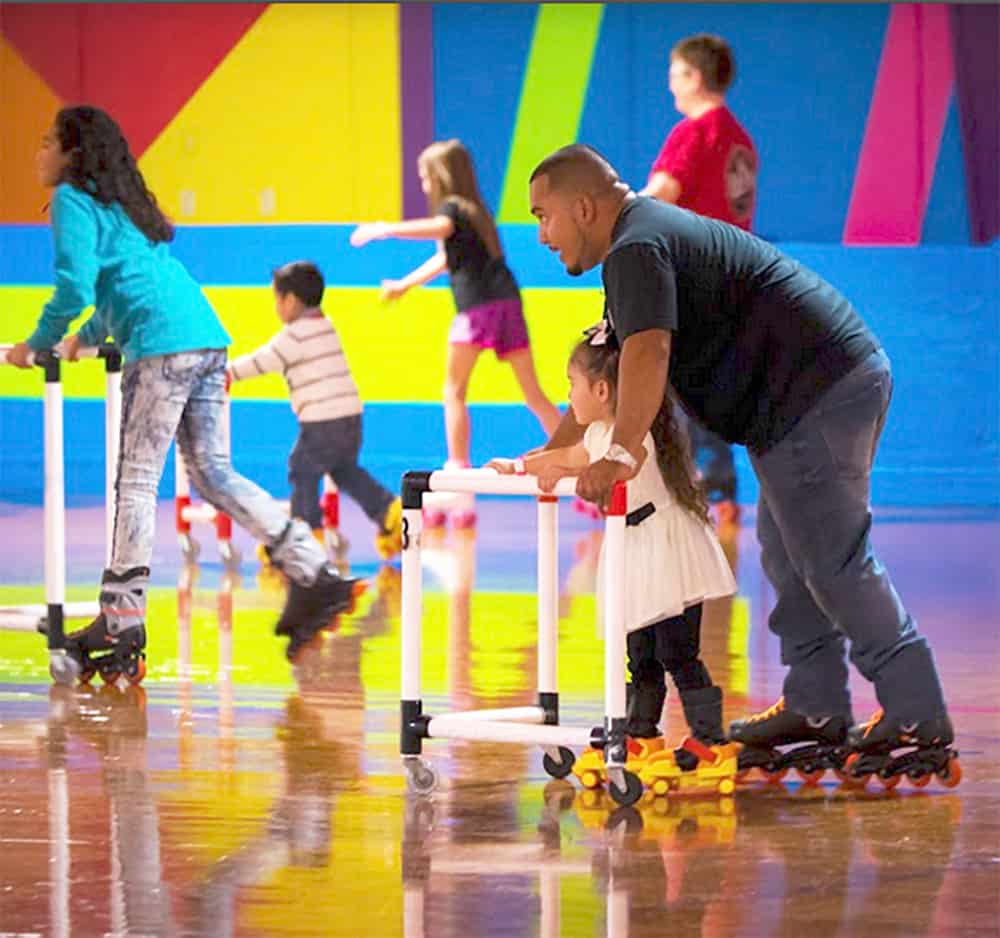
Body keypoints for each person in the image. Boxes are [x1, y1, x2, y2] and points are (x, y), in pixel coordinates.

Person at [524, 144, 957, 781]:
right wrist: (553, 458)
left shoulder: (636, 248)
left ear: (584, 207)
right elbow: (609, 373)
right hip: (803, 397)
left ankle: (917, 712)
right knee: (789, 554)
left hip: (818, 389)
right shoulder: (640, 244)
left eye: (544, 216)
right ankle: (815, 705)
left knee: (833, 559)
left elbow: (649, 354)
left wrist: (618, 454)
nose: (541, 235)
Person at [7, 106, 360, 672]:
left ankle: (120, 618)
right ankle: (313, 572)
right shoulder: (122, 204)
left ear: (73, 155)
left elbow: (76, 285)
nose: (38, 152)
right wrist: (86, 336)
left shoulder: (73, 200)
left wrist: (37, 343)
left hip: (164, 348)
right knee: (214, 473)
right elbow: (129, 285)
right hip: (205, 337)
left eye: (48, 141)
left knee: (137, 481)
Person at [489, 327, 736, 763]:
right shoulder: (597, 435)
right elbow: (564, 457)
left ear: (601, 389)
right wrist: (517, 467)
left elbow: (621, 466)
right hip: (633, 550)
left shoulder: (630, 436)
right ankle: (640, 729)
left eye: (572, 385)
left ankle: (710, 737)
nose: (568, 396)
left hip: (665, 548)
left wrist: (580, 474)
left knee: (677, 651)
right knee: (638, 650)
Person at [349, 139, 561, 526]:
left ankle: (458, 481)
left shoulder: (452, 210)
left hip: (478, 308)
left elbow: (439, 227)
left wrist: (385, 229)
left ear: (440, 177)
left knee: (453, 390)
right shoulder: (477, 212)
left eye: (425, 178)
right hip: (507, 304)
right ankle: (575, 451)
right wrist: (405, 284)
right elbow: (446, 259)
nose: (424, 186)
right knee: (532, 392)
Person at [641, 33, 759, 523]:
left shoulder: (693, 133)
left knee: (676, 381)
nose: (669, 86)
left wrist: (617, 212)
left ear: (694, 76)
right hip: (735, 275)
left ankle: (698, 487)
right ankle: (718, 488)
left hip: (691, 275)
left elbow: (662, 194)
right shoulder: (740, 139)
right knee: (704, 383)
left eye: (674, 74)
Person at [227, 261, 402, 559]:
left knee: (302, 468)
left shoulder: (295, 336)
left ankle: (304, 537)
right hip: (351, 418)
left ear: (291, 301)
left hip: (324, 422)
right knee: (345, 471)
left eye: (277, 300)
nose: (276, 308)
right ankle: (389, 513)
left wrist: (224, 373)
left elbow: (261, 361)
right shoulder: (326, 325)